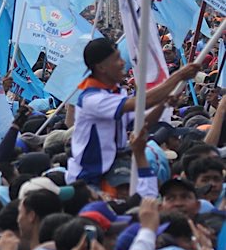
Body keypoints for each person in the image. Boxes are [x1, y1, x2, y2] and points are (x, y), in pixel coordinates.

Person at [67, 37, 200, 186]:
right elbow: (143, 102)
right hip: (88, 178)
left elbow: (143, 123)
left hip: (111, 174)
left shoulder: (117, 93)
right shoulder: (91, 98)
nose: (123, 63)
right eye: (117, 59)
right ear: (101, 67)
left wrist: (163, 104)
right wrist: (179, 76)